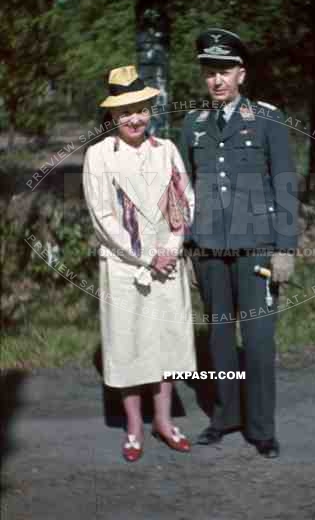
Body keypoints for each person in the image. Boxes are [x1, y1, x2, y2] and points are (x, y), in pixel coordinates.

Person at [181, 28, 298, 458]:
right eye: (210, 72)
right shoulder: (192, 124)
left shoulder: (267, 119)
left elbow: (284, 184)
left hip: (257, 249)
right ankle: (225, 416)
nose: (217, 80)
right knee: (219, 340)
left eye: (225, 71)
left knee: (259, 339)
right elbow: (184, 192)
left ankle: (261, 428)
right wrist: (188, 250)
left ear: (241, 74)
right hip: (209, 248)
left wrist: (285, 248)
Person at [83, 65, 196, 462]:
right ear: (113, 115)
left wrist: (171, 246)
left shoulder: (167, 150)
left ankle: (164, 422)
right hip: (125, 267)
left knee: (166, 345)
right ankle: (133, 428)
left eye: (141, 108)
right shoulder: (99, 155)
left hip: (168, 263)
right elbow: (104, 217)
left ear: (151, 110)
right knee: (128, 345)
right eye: (125, 110)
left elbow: (182, 200)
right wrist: (148, 256)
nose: (134, 118)